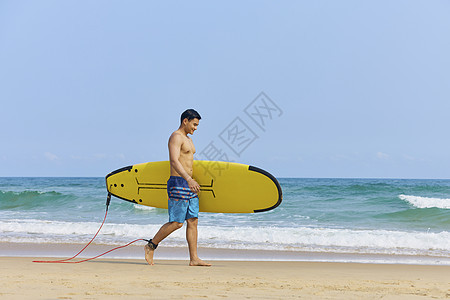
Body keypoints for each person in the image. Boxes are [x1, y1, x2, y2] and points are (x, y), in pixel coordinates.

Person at [144, 109, 211, 267]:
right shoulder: (176, 137)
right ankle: (151, 245)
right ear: (185, 121)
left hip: (190, 184)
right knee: (177, 223)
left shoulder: (189, 140)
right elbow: (174, 161)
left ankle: (194, 259)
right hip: (179, 183)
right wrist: (188, 179)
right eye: (194, 124)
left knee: (193, 221)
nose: (196, 128)